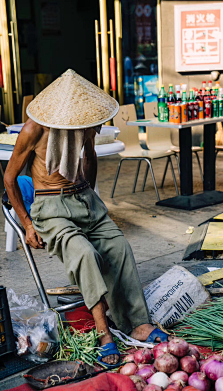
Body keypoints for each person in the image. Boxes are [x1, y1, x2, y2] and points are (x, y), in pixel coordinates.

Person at [4, 69, 168, 367]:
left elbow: (90, 158)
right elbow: (9, 178)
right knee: (84, 254)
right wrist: (27, 224)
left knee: (120, 248)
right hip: (50, 208)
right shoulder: (34, 129)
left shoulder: (83, 124)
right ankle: (105, 333)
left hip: (85, 199)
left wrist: (89, 199)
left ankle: (137, 322)